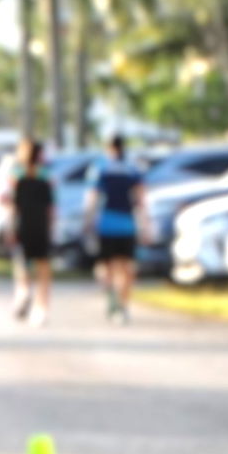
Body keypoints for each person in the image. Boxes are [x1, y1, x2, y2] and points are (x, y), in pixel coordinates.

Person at [83, 133, 147, 324]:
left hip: (106, 223)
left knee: (106, 267)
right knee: (126, 268)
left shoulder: (100, 167)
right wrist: (145, 225)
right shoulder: (133, 168)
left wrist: (87, 221)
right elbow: (141, 200)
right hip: (127, 224)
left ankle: (112, 298)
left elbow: (92, 198)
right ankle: (123, 305)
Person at [7, 137, 55, 325]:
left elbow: (12, 205)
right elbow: (52, 208)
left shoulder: (16, 175)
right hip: (41, 226)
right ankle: (41, 309)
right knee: (44, 270)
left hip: (23, 226)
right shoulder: (46, 176)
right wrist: (51, 228)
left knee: (22, 265)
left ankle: (24, 292)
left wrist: (11, 228)